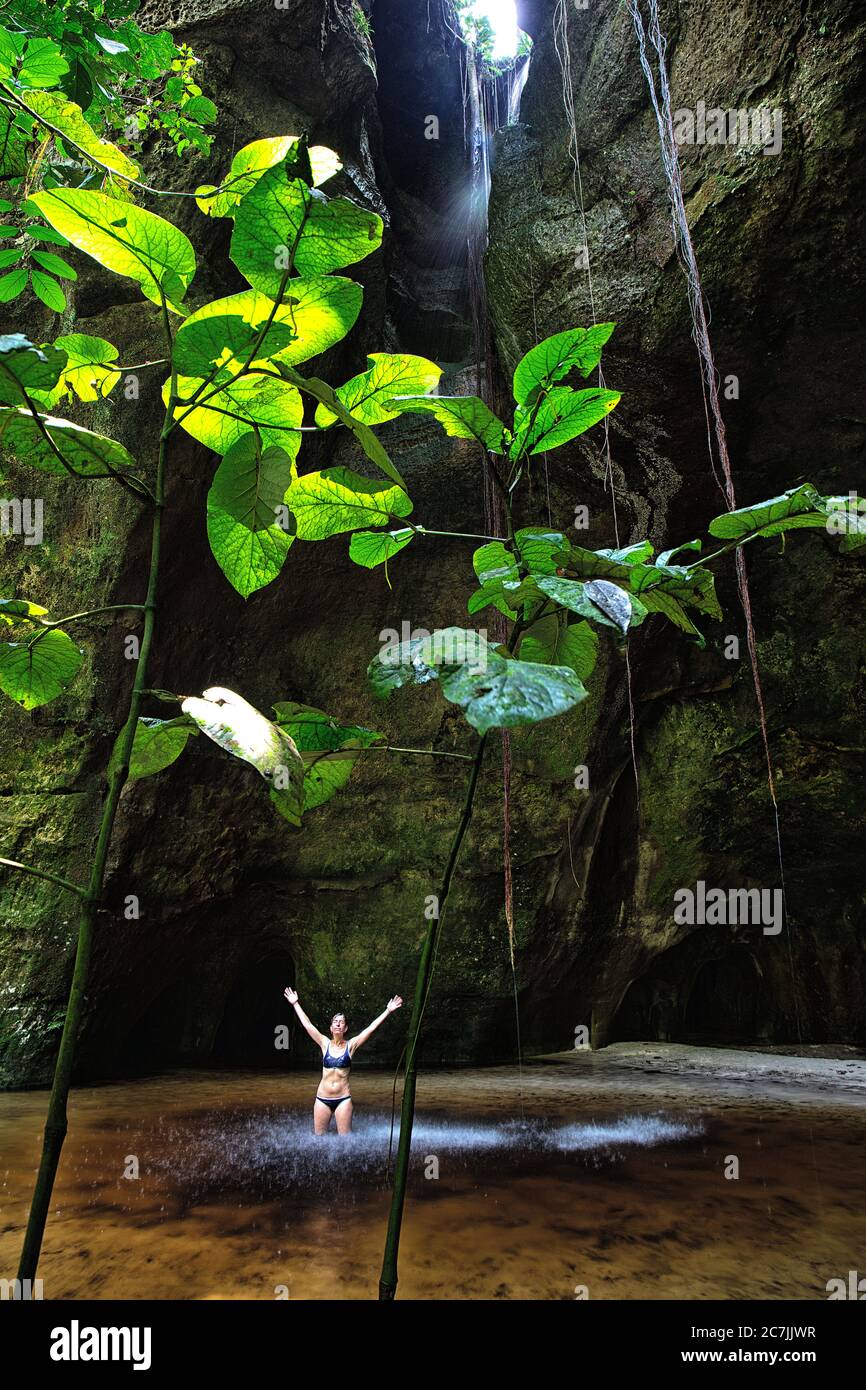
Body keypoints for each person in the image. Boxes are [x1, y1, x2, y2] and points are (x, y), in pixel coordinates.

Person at [283, 987, 403, 1134]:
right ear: (331, 1028)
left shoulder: (351, 1045)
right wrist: (295, 1003)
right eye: (335, 1022)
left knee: (345, 1141)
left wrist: (388, 1011)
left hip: (343, 1099)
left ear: (345, 1028)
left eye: (341, 1022)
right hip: (322, 1098)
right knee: (319, 1139)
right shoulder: (324, 1043)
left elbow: (370, 1028)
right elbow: (308, 1025)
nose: (338, 1024)